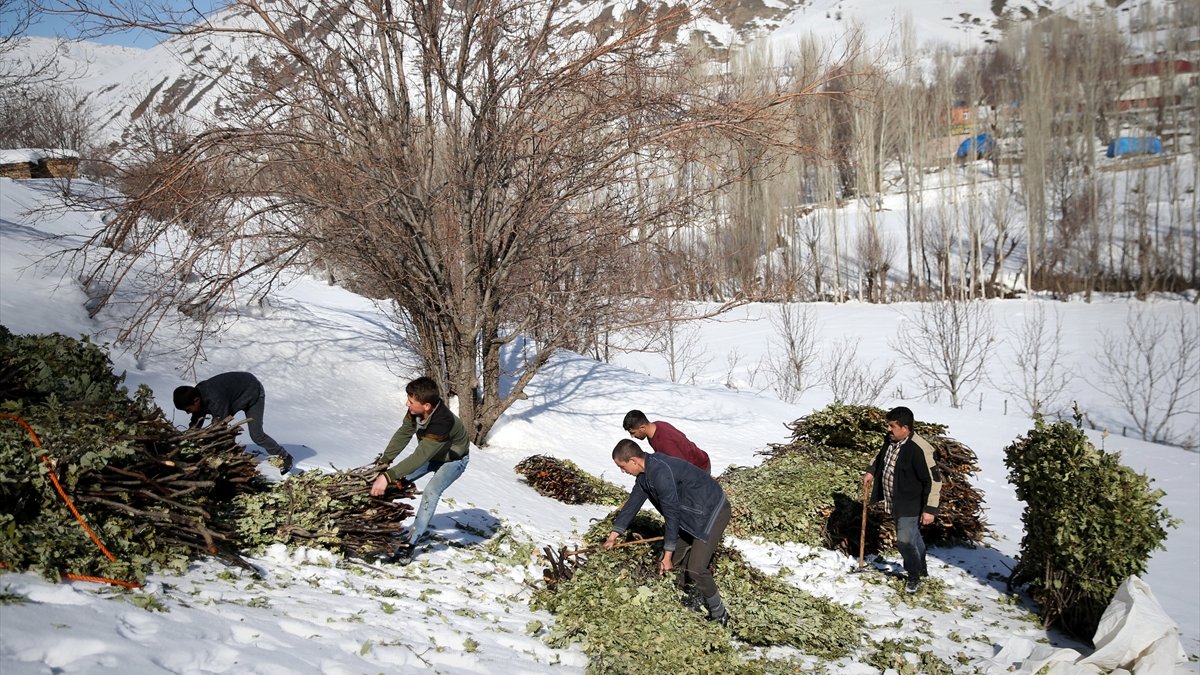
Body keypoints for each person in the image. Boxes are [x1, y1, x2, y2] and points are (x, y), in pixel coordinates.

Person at [604, 439, 732, 626]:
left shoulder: (661, 473)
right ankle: (681, 600)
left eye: (622, 466)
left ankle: (719, 613)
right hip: (691, 514)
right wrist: (612, 536)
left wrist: (668, 554)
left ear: (633, 461)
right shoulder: (644, 477)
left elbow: (672, 515)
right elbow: (632, 505)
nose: (622, 471)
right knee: (671, 561)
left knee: (696, 568)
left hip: (712, 512)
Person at [370, 376, 470, 565]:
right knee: (395, 484)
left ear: (426, 406)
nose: (407, 404)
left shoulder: (442, 421)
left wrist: (387, 475)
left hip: (453, 461)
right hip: (433, 455)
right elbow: (404, 434)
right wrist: (384, 462)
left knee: (431, 492)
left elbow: (420, 456)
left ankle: (409, 546)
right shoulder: (416, 412)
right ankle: (378, 523)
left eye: (411, 401)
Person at [862, 406, 942, 593]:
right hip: (894, 499)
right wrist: (871, 471)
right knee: (913, 535)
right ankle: (921, 567)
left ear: (905, 428)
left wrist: (930, 509)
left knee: (905, 541)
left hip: (911, 503)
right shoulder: (890, 440)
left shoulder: (921, 449)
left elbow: (934, 480)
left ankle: (913, 576)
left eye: (892, 426)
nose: (888, 429)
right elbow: (880, 456)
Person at [174, 371, 294, 474]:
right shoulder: (198, 395)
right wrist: (186, 442)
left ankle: (285, 456)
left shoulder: (215, 399)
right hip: (236, 396)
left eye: (188, 409)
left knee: (256, 435)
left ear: (196, 401)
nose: (188, 413)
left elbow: (221, 427)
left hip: (253, 392)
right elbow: (195, 423)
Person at [622, 409, 711, 473]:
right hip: (697, 461)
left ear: (642, 428)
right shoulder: (656, 426)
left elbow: (681, 468)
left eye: (633, 433)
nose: (632, 436)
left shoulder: (664, 442)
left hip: (699, 468)